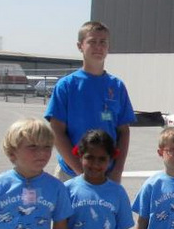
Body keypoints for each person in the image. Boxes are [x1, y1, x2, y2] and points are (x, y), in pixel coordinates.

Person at [45, 21, 136, 183]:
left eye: (103, 42)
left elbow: (123, 131)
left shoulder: (117, 86)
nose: (98, 47)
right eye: (92, 42)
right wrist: (80, 172)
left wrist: (117, 171)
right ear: (80, 46)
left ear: (108, 47)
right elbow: (57, 131)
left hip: (106, 175)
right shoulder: (66, 86)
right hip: (71, 174)